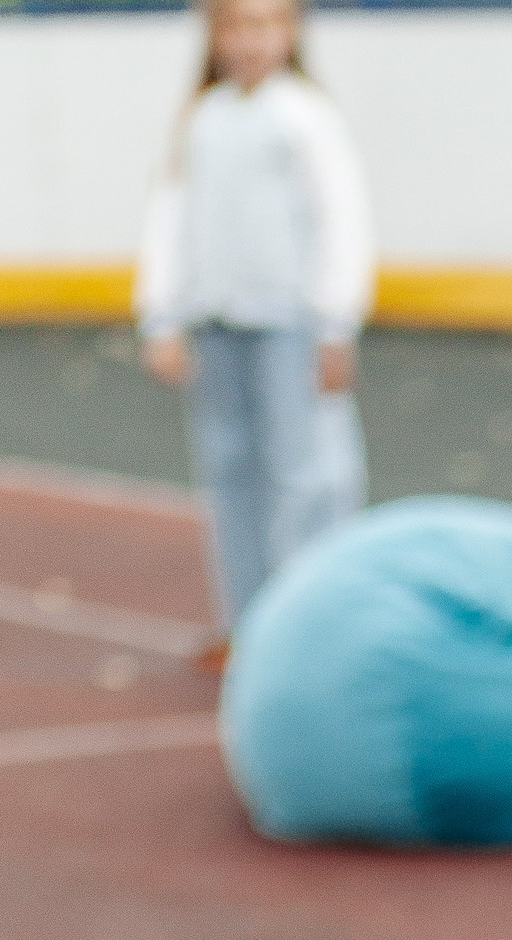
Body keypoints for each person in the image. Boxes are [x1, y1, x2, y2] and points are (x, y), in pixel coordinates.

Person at [135, 0, 374, 645]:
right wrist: (163, 314)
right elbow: (172, 218)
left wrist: (335, 323)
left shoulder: (306, 116)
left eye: (270, 24)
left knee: (309, 476)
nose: (254, 40)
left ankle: (313, 632)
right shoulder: (204, 119)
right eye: (239, 24)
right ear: (214, 32)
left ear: (292, 31)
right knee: (232, 468)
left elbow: (340, 219)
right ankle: (248, 624)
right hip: (219, 323)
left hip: (290, 325)